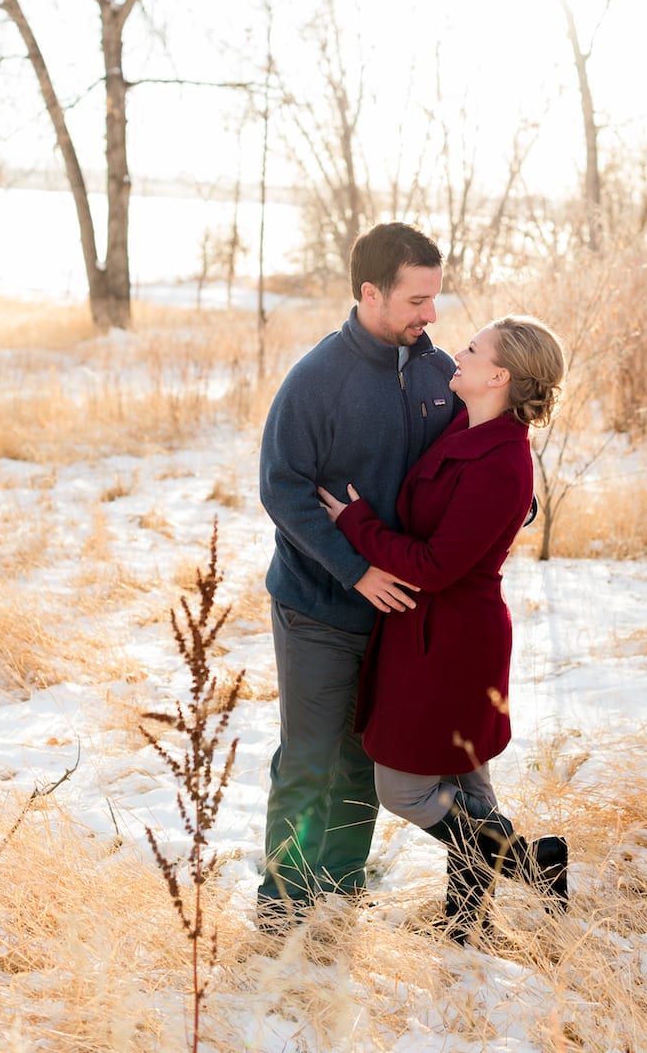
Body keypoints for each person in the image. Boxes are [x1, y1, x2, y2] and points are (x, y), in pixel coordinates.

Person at [318, 315, 569, 943]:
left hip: (454, 643)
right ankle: (467, 923)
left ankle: (533, 866)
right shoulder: (470, 422)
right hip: (431, 631)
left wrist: (356, 524)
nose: (459, 352)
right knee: (467, 781)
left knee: (404, 787)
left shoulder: (503, 462)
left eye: (473, 348)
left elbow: (436, 566)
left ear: (498, 376)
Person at [257, 221, 459, 927]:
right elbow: (282, 489)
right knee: (310, 759)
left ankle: (339, 889)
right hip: (317, 605)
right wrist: (355, 570)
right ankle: (283, 905)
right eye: (415, 300)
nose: (430, 314)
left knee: (365, 758)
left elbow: (481, 460)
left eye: (433, 298)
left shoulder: (439, 375)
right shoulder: (317, 380)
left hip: (400, 614)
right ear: (369, 293)